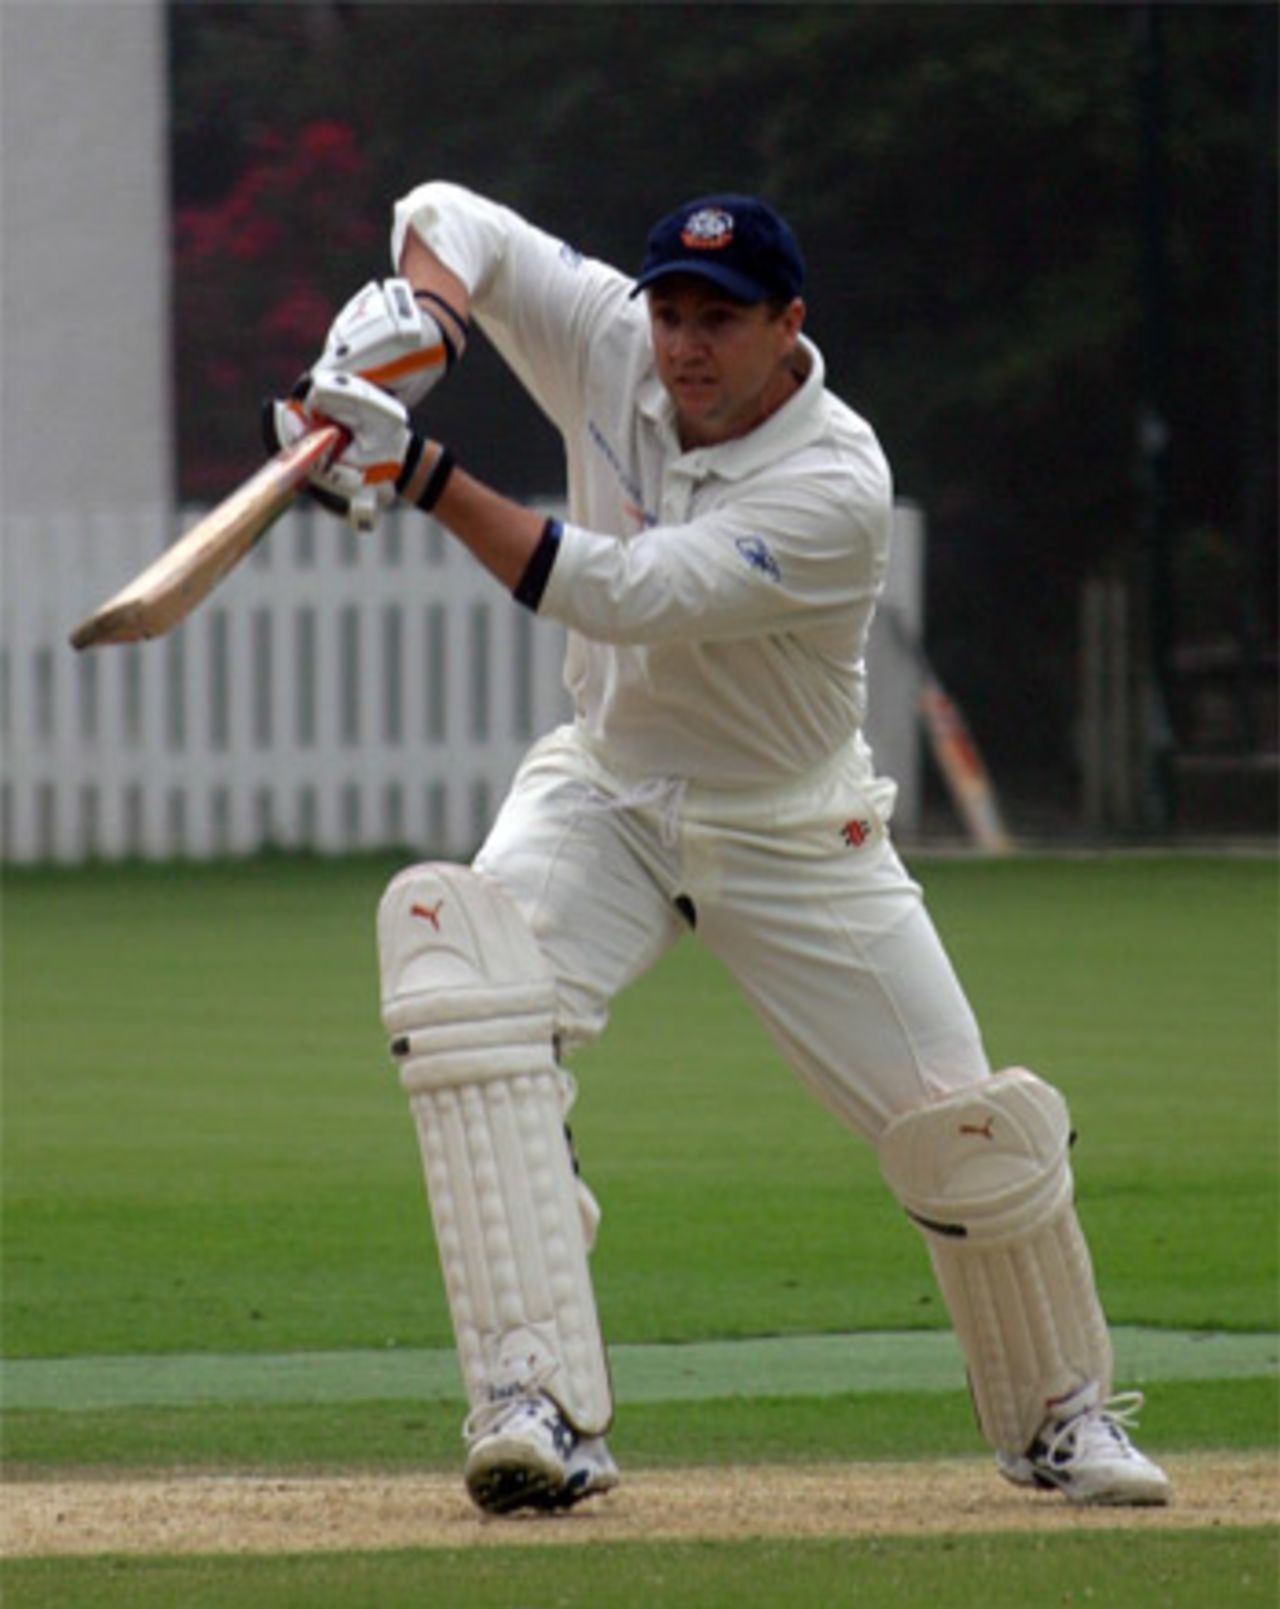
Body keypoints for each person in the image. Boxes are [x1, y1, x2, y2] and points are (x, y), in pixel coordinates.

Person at [270, 184, 1171, 1516]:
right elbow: (444, 211)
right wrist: (426, 324)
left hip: (799, 827)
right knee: (474, 1003)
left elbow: (624, 593)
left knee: (968, 1131)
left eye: (721, 321)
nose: (684, 346)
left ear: (788, 326)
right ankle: (537, 1407)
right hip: (609, 789)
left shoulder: (837, 484)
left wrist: (413, 469)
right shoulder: (615, 337)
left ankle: (1060, 1416)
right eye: (671, 311)